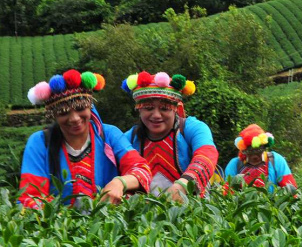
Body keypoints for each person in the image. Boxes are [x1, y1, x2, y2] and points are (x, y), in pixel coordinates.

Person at [19, 70, 152, 208]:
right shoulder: (39, 143)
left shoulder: (109, 135)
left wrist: (119, 183)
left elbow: (141, 170)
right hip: (62, 227)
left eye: (80, 108)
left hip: (108, 222)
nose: (74, 118)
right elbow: (30, 197)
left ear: (90, 106)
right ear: (54, 115)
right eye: (63, 112)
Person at [122, 71, 218, 201]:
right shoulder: (129, 138)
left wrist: (184, 184)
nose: (156, 115)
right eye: (148, 108)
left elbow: (207, 155)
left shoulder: (193, 128)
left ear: (176, 108)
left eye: (164, 108)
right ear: (139, 109)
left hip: (192, 212)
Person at [224, 124, 297, 192]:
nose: (255, 156)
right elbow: (228, 192)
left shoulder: (276, 160)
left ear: (264, 148)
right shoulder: (235, 164)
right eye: (250, 152)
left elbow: (290, 189)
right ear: (244, 151)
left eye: (258, 151)